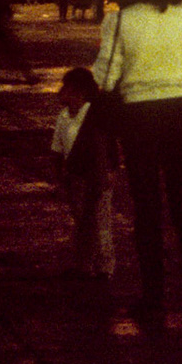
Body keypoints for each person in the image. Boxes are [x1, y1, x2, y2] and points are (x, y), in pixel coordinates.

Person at [91, 0, 182, 329]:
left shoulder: (120, 21)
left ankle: (154, 295)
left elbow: (105, 76)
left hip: (138, 115)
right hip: (178, 111)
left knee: (147, 207)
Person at [50, 66, 116, 281]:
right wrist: (59, 177)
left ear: (79, 91)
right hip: (75, 177)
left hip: (96, 176)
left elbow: (108, 144)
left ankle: (104, 267)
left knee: (100, 220)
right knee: (81, 221)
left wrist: (111, 171)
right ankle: (84, 265)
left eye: (66, 87)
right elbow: (57, 149)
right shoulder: (63, 116)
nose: (61, 91)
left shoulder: (93, 113)